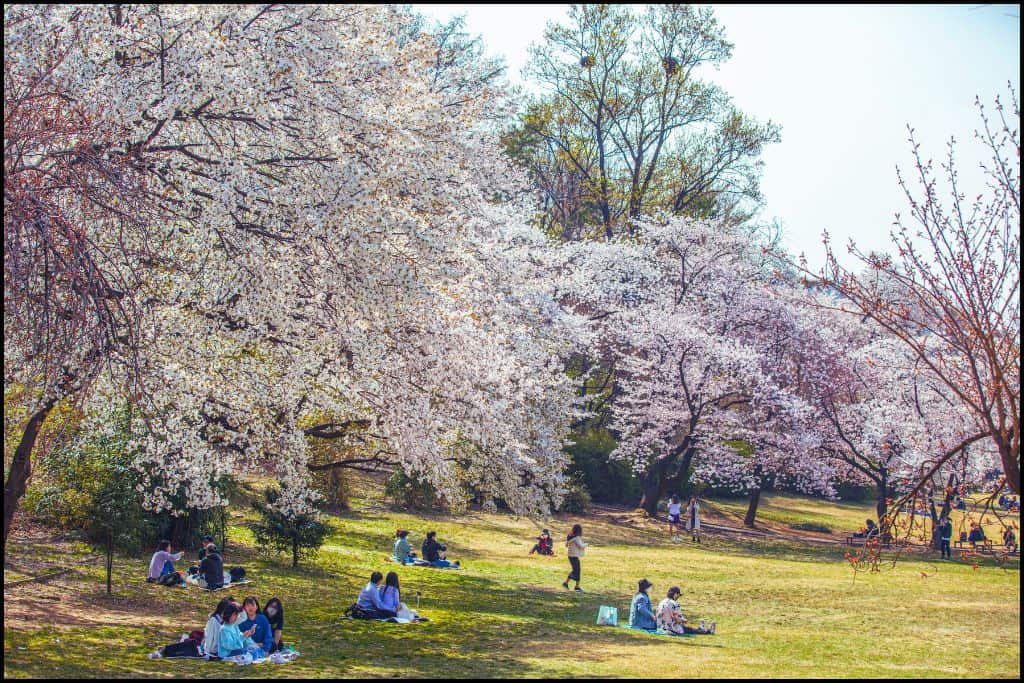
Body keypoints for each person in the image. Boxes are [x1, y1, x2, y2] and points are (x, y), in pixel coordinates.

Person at [561, 524, 587, 592]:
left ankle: (566, 583)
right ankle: (576, 587)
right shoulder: (577, 538)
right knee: (577, 570)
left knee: (575, 570)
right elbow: (581, 546)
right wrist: (586, 544)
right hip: (574, 556)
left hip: (570, 556)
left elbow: (566, 545)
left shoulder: (570, 537)